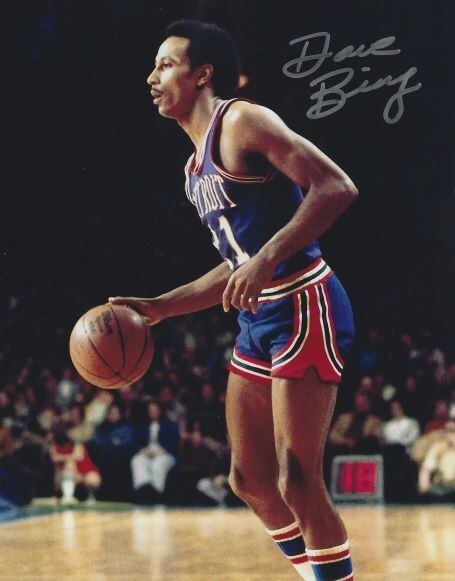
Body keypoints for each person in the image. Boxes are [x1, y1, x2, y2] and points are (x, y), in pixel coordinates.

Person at [109, 20, 357, 580]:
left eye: (165, 65)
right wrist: (160, 306)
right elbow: (237, 264)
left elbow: (335, 187)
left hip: (304, 302)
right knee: (248, 480)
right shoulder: (194, 170)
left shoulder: (242, 120)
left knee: (299, 480)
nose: (151, 77)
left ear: (203, 75)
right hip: (259, 318)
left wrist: (265, 261)